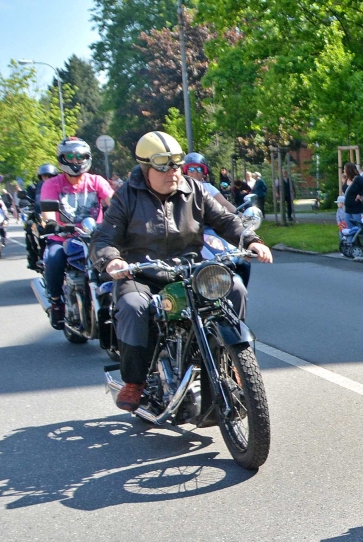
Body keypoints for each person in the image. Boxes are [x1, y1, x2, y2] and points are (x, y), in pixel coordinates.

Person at [91, 131, 273, 411]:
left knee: (233, 285)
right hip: (142, 274)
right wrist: (113, 261)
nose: (172, 173)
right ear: (146, 168)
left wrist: (251, 240)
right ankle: (135, 381)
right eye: (163, 167)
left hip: (189, 272)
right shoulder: (126, 197)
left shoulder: (195, 190)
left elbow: (225, 220)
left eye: (176, 165)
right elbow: (104, 238)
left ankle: (233, 359)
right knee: (132, 306)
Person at [40, 138, 114, 330]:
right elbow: (47, 210)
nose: (75, 161)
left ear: (87, 158)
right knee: (55, 259)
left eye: (80, 156)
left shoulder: (96, 181)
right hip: (63, 236)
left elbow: (114, 203)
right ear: (62, 158)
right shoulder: (53, 184)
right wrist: (50, 222)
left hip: (94, 236)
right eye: (70, 156)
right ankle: (56, 302)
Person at [24, 164, 57, 271]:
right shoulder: (33, 188)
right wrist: (27, 204)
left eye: (50, 176)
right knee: (29, 227)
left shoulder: (59, 186)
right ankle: (33, 257)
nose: (47, 178)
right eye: (44, 176)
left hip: (57, 215)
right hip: (38, 215)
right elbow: (27, 200)